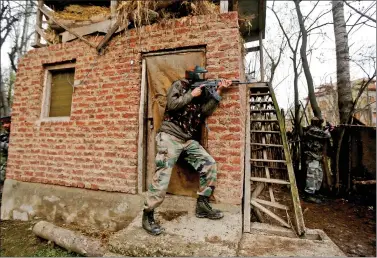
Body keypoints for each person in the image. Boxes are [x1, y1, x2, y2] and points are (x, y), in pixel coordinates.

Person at [142, 66, 232, 235]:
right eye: (200, 77)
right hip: (169, 136)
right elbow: (172, 104)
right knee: (162, 176)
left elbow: (205, 111)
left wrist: (219, 90)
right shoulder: (180, 86)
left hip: (186, 140)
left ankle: (202, 206)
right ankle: (148, 215)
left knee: (209, 164)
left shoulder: (201, 95)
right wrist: (192, 94)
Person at [302, 117, 331, 204]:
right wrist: (328, 129)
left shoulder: (316, 129)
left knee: (318, 175)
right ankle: (309, 195)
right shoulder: (312, 130)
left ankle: (315, 193)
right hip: (311, 156)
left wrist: (326, 128)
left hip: (317, 156)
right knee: (312, 175)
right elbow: (327, 135)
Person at [0, 116, 11, 185]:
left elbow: (13, 148)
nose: (5, 125)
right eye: (3, 123)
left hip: (6, 164)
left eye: (7, 123)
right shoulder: (3, 135)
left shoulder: (16, 135)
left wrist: (2, 145)